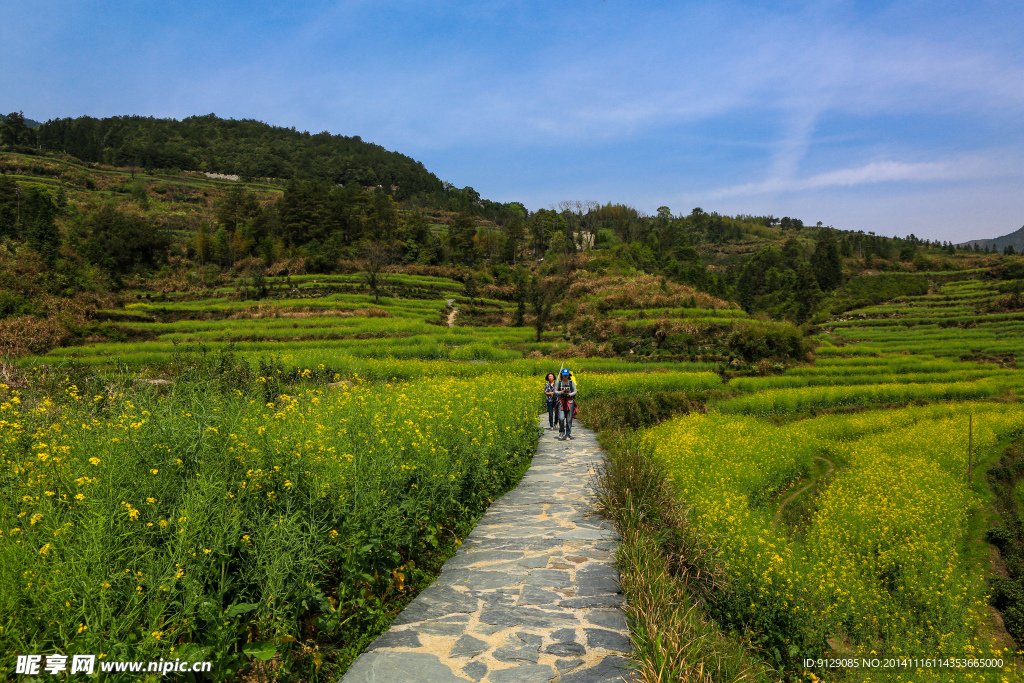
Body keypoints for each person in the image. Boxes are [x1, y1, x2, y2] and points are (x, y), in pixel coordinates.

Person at [555, 368, 577, 440]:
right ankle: (561, 431)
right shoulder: (558, 382)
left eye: (566, 375)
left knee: (569, 419)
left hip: (570, 402)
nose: (565, 376)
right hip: (561, 401)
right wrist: (560, 392)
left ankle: (568, 434)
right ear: (561, 375)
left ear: (568, 375)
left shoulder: (571, 382)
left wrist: (569, 394)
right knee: (561, 418)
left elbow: (575, 391)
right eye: (564, 375)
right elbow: (555, 391)